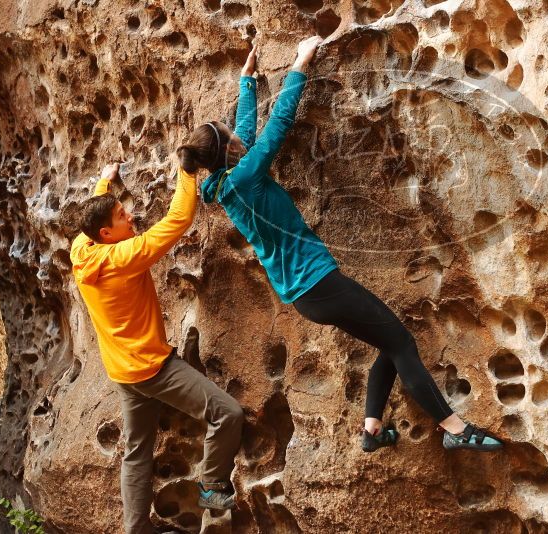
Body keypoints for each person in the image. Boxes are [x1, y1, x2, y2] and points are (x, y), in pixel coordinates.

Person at [177, 36, 502, 453]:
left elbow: (241, 134)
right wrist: (300, 63)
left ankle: (371, 430)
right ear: (225, 150)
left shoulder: (224, 184)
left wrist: (248, 82)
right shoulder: (246, 176)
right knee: (402, 343)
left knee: (389, 341)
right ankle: (455, 429)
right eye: (225, 132)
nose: (234, 130)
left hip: (305, 295)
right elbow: (277, 124)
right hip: (321, 283)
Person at [70, 162, 243, 534]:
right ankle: (212, 491)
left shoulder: (82, 249)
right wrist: (187, 169)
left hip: (121, 371)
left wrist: (106, 180)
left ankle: (136, 528)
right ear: (107, 233)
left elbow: (97, 211)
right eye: (122, 216)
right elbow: (178, 220)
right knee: (227, 413)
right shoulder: (123, 257)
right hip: (153, 370)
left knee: (137, 453)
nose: (129, 215)